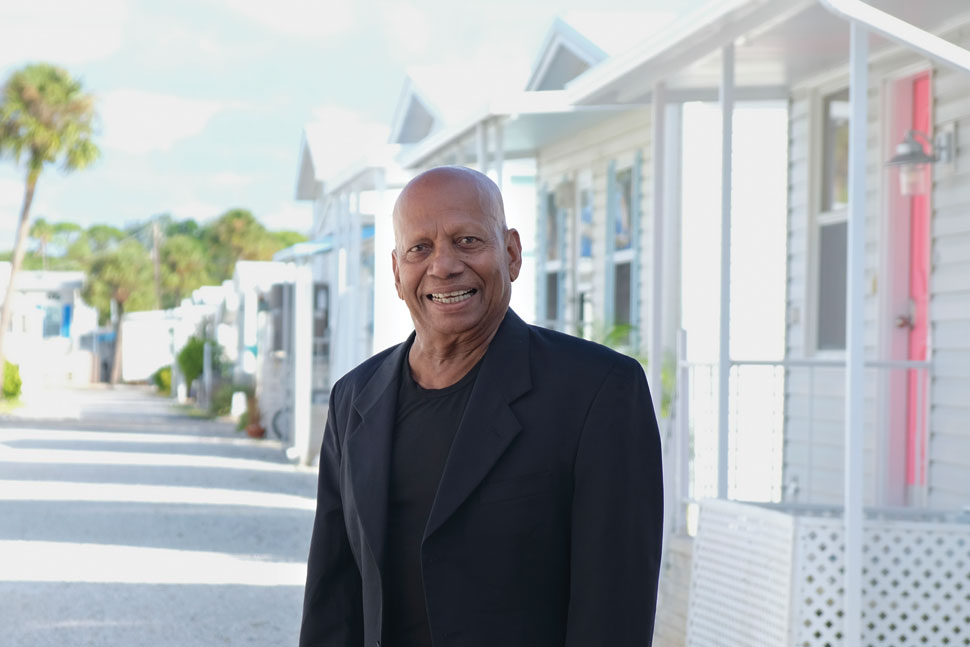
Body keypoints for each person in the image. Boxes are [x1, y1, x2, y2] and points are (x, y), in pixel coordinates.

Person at [300, 166, 663, 647]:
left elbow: (613, 613)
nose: (443, 266)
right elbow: (334, 597)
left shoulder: (598, 392)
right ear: (395, 271)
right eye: (419, 248)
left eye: (467, 241)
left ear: (511, 254)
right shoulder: (354, 399)